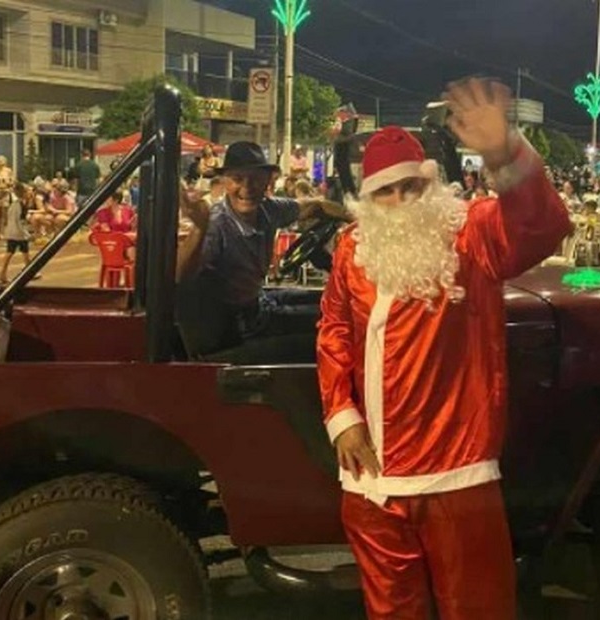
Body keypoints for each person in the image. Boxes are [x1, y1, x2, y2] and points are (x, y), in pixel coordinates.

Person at [316, 78, 572, 620]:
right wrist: (342, 415)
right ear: (368, 198)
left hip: (455, 476)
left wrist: (503, 151)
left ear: (430, 185)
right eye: (385, 191)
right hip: (372, 481)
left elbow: (543, 225)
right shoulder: (352, 250)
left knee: (477, 610)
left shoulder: (470, 234)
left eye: (410, 186)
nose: (399, 200)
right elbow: (334, 330)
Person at [176, 141, 350, 363]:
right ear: (226, 181)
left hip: (260, 306)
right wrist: (199, 228)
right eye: (238, 179)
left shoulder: (268, 209)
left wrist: (357, 219)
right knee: (334, 333)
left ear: (267, 181)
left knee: (335, 305)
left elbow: (315, 205)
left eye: (255, 179)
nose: (247, 188)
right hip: (238, 330)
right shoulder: (216, 226)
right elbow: (180, 277)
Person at [0, 182, 36, 286]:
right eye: (28, 191)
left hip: (14, 232)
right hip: (17, 233)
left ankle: (28, 271)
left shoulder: (20, 203)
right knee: (13, 252)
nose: (31, 192)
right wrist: (27, 235)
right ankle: (3, 274)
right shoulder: (18, 205)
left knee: (23, 251)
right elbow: (18, 222)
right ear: (23, 193)